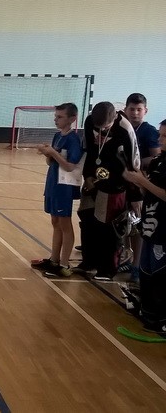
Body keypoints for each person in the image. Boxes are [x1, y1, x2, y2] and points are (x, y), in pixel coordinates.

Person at [76, 101, 141, 281]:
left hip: (115, 185)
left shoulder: (125, 129)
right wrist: (88, 176)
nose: (101, 131)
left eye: (105, 127)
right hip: (93, 181)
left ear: (114, 118)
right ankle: (88, 262)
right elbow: (90, 151)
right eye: (98, 128)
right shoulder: (90, 122)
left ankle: (107, 269)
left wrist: (135, 196)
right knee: (87, 219)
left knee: (109, 227)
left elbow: (133, 163)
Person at [123, 119, 166, 335]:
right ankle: (149, 311)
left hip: (164, 229)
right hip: (150, 223)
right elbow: (149, 190)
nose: (160, 139)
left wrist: (144, 182)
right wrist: (137, 181)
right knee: (147, 270)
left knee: (160, 272)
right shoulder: (158, 161)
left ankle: (162, 315)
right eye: (160, 134)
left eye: (164, 136)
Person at [31, 103, 83, 277]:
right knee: (55, 222)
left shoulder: (73, 139)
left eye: (60, 117)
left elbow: (70, 166)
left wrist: (53, 152)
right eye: (56, 116)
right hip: (53, 182)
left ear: (72, 119)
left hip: (64, 186)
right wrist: (47, 154)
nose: (56, 119)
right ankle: (54, 259)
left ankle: (64, 264)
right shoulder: (57, 136)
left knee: (65, 223)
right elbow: (51, 162)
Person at [122, 93, 159, 284]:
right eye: (132, 109)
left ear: (145, 111)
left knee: (138, 225)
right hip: (124, 183)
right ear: (125, 109)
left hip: (140, 184)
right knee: (124, 223)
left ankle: (137, 265)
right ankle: (127, 258)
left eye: (139, 109)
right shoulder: (122, 127)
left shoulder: (149, 131)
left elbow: (156, 157)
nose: (135, 113)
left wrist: (135, 162)